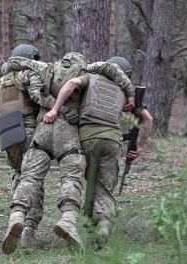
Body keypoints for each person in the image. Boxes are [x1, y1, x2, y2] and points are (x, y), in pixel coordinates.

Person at [2, 52, 134, 254]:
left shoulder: (46, 69)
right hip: (69, 133)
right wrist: (130, 92)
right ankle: (68, 220)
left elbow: (17, 67)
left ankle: (17, 216)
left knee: (30, 177)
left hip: (43, 128)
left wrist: (52, 107)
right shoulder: (89, 75)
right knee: (71, 178)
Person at [42, 56, 136, 249]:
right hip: (112, 141)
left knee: (91, 183)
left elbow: (71, 84)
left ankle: (85, 224)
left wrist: (55, 109)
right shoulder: (125, 90)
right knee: (105, 188)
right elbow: (145, 119)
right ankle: (101, 230)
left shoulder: (90, 78)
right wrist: (139, 147)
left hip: (87, 139)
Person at [0, 44, 47, 251]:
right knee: (33, 179)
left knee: (18, 175)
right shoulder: (29, 76)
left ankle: (14, 219)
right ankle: (28, 230)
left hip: (8, 133)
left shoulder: (1, 81)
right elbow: (39, 98)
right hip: (28, 132)